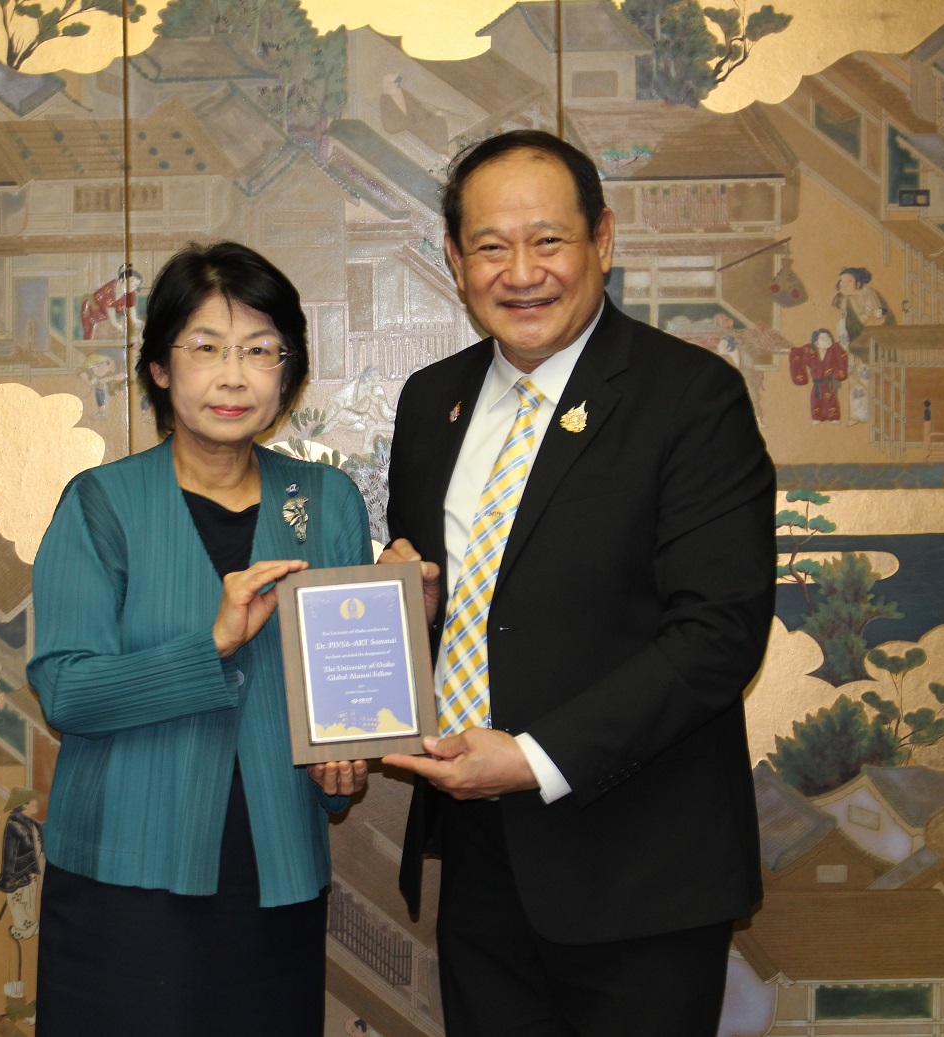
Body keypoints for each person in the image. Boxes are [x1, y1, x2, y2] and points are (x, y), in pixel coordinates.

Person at [380, 130, 775, 1037]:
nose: (522, 273)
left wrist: (532, 759)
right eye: (490, 246)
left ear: (602, 238)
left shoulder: (690, 396)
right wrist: (418, 614)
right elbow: (468, 607)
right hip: (478, 861)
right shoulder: (430, 402)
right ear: (455, 261)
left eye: (548, 240)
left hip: (640, 867)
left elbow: (717, 634)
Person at [27, 241, 373, 1037]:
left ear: (288, 373)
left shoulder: (327, 502)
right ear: (159, 367)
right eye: (206, 348)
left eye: (260, 350)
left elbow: (343, 699)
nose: (233, 376)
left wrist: (343, 767)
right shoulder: (101, 504)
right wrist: (209, 644)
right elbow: (67, 690)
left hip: (273, 874)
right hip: (125, 874)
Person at [0, 787, 45, 939]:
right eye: (33, 801)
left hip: (31, 869)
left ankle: (32, 925)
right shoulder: (14, 825)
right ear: (24, 805)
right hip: (18, 870)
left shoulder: (32, 823)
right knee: (19, 900)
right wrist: (8, 875)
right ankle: (21, 929)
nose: (36, 803)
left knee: (29, 899)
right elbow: (9, 852)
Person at [789, 327, 848, 423]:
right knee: (816, 400)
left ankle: (833, 417)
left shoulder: (835, 351)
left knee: (832, 400)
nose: (827, 340)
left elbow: (842, 359)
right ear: (816, 343)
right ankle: (817, 417)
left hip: (829, 383)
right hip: (817, 384)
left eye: (828, 337)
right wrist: (792, 351)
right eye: (823, 338)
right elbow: (799, 353)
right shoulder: (811, 354)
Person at [830, 265, 890, 346]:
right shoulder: (846, 299)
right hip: (853, 339)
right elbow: (842, 319)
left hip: (874, 337)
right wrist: (842, 330)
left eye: (849, 281)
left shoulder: (868, 293)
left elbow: (878, 317)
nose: (844, 284)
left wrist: (876, 314)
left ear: (858, 284)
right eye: (842, 281)